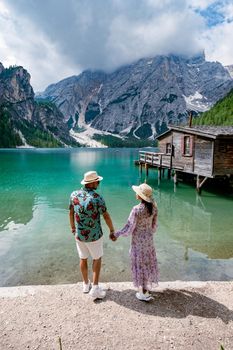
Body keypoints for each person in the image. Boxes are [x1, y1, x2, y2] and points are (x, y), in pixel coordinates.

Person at [69, 170, 115, 300]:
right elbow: (106, 216)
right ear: (93, 183)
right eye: (98, 181)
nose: (99, 183)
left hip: (79, 235)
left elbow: (70, 212)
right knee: (97, 258)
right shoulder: (97, 198)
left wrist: (73, 228)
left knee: (83, 258)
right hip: (94, 235)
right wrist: (112, 230)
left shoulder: (74, 195)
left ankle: (85, 284)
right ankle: (95, 288)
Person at [110, 183, 159, 302]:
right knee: (147, 263)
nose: (136, 194)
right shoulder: (153, 207)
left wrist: (116, 234)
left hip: (138, 242)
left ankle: (142, 293)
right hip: (149, 241)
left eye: (137, 192)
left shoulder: (136, 209)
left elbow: (129, 227)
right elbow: (154, 226)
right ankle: (146, 288)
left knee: (139, 264)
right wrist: (148, 232)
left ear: (140, 196)